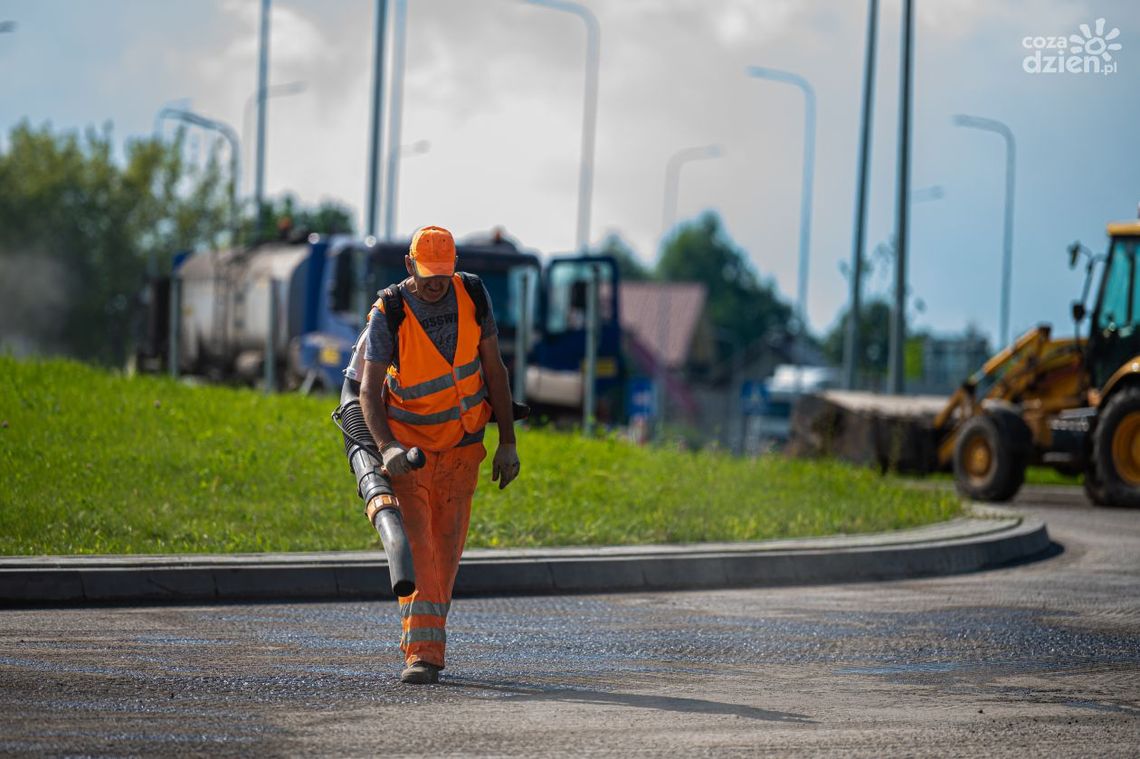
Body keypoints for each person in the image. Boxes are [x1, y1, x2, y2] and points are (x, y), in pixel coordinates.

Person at [357, 225, 521, 685]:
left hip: (463, 449)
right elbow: (369, 391)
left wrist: (507, 442)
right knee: (421, 553)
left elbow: (495, 369)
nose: (435, 283)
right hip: (410, 453)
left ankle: (428, 641)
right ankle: (423, 655)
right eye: (427, 274)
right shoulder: (389, 311)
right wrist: (387, 447)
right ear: (409, 266)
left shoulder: (471, 293)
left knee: (446, 557)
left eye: (442, 275)